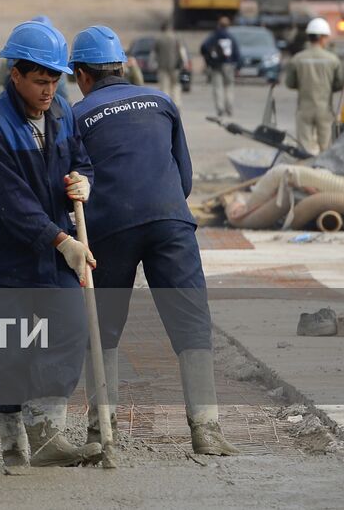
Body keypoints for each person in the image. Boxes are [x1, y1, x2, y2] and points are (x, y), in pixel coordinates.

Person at [69, 26, 239, 455]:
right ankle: (207, 431)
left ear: (81, 75)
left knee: (102, 330)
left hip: (108, 228)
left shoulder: (77, 116)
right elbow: (184, 177)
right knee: (191, 323)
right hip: (171, 221)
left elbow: (71, 182)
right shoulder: (162, 102)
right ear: (124, 67)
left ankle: (101, 433)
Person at [0, 19, 102, 470]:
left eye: (55, 80)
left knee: (69, 327)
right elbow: (13, 204)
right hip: (3, 258)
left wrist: (86, 179)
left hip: (51, 252)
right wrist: (63, 241)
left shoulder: (62, 112)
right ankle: (12, 443)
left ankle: (45, 433)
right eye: (40, 81)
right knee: (9, 350)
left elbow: (81, 160)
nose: (49, 90)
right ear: (16, 75)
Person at [282, 18, 344, 156]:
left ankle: (306, 174)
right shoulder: (333, 60)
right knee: (326, 148)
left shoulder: (297, 59)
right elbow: (340, 83)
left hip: (304, 108)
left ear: (309, 36)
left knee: (304, 149)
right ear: (323, 37)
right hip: (325, 109)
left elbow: (290, 83)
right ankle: (323, 175)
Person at [200, 16, 240, 118]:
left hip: (216, 65)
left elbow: (204, 47)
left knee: (218, 87)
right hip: (228, 64)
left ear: (219, 25)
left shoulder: (214, 36)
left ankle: (220, 109)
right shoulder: (231, 37)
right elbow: (236, 52)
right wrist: (237, 65)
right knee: (229, 86)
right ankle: (229, 108)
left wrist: (208, 60)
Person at [153, 20, 185, 104]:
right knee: (175, 86)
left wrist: (153, 64)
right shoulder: (176, 38)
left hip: (162, 66)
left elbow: (154, 53)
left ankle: (166, 103)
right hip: (175, 67)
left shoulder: (159, 39)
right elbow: (181, 51)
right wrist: (183, 63)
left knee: (164, 87)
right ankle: (177, 104)